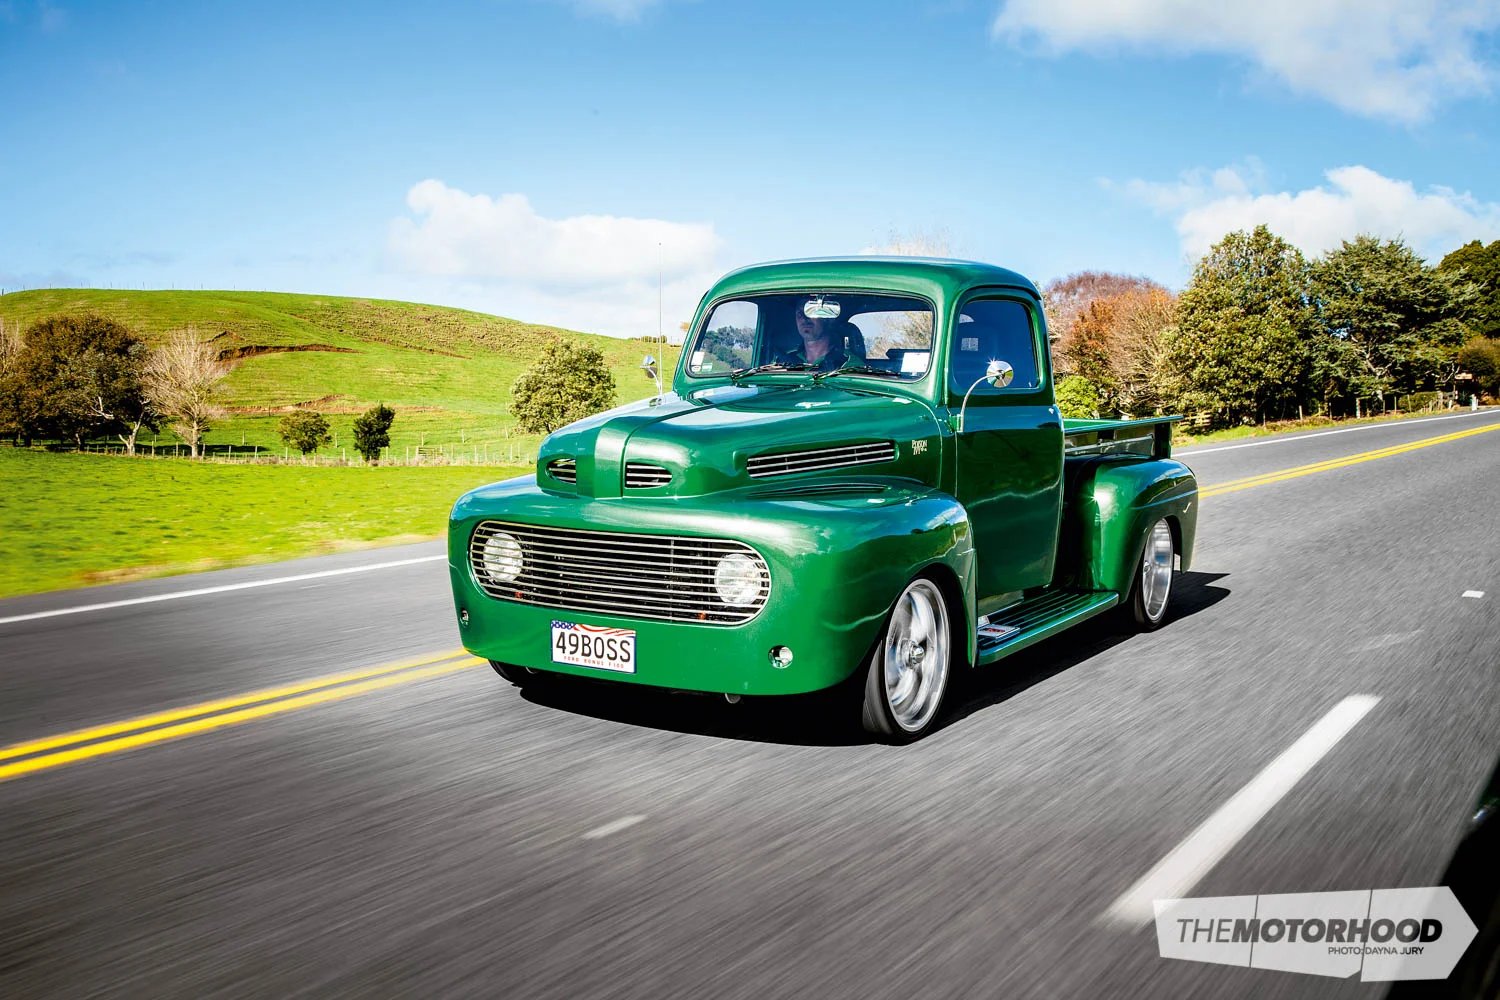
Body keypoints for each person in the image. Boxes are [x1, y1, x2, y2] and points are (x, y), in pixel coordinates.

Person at [773, 296, 866, 370]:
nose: (804, 318)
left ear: (829, 319)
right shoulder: (783, 360)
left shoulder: (850, 365)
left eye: (811, 311)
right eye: (799, 313)